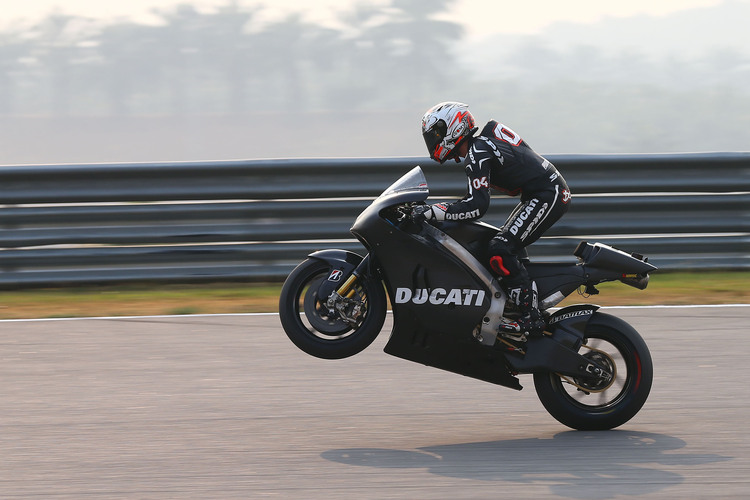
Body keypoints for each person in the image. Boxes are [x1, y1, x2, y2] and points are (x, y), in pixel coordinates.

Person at [413, 101, 571, 340]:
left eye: (436, 133)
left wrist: (433, 212)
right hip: (539, 194)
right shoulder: (480, 147)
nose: (433, 140)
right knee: (497, 245)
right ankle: (517, 303)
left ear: (453, 127)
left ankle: (530, 317)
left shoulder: (478, 151)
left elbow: (477, 206)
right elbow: (472, 199)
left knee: (500, 248)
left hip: (547, 194)